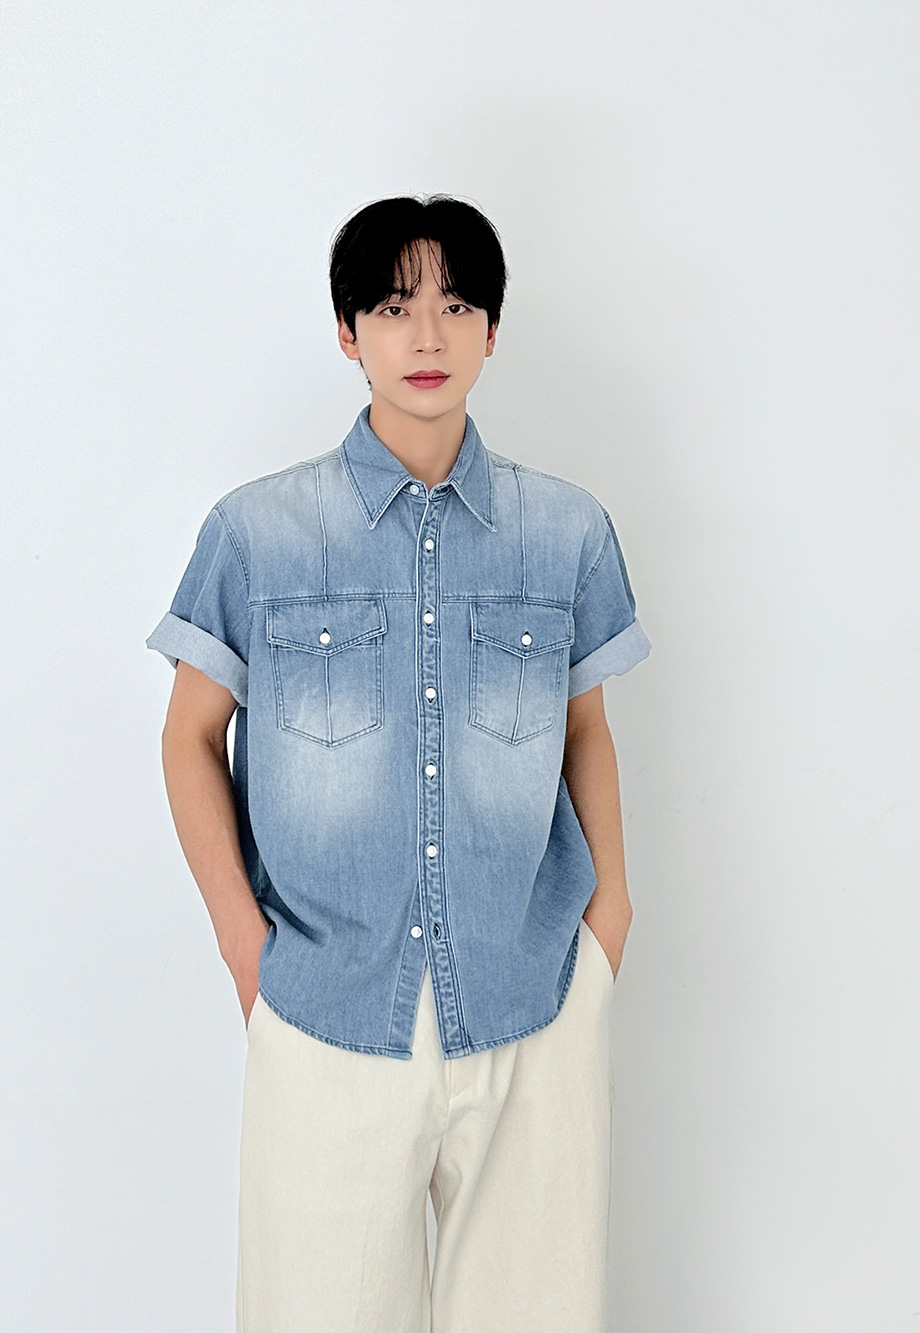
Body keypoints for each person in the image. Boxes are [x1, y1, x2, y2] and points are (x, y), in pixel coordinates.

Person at [146, 193, 652, 1333]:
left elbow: (585, 729)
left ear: (493, 330)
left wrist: (609, 919)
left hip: (533, 997)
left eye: (457, 305)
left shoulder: (565, 530)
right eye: (392, 306)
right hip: (325, 1003)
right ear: (348, 332)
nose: (427, 336)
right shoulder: (257, 531)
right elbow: (188, 736)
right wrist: (244, 945)